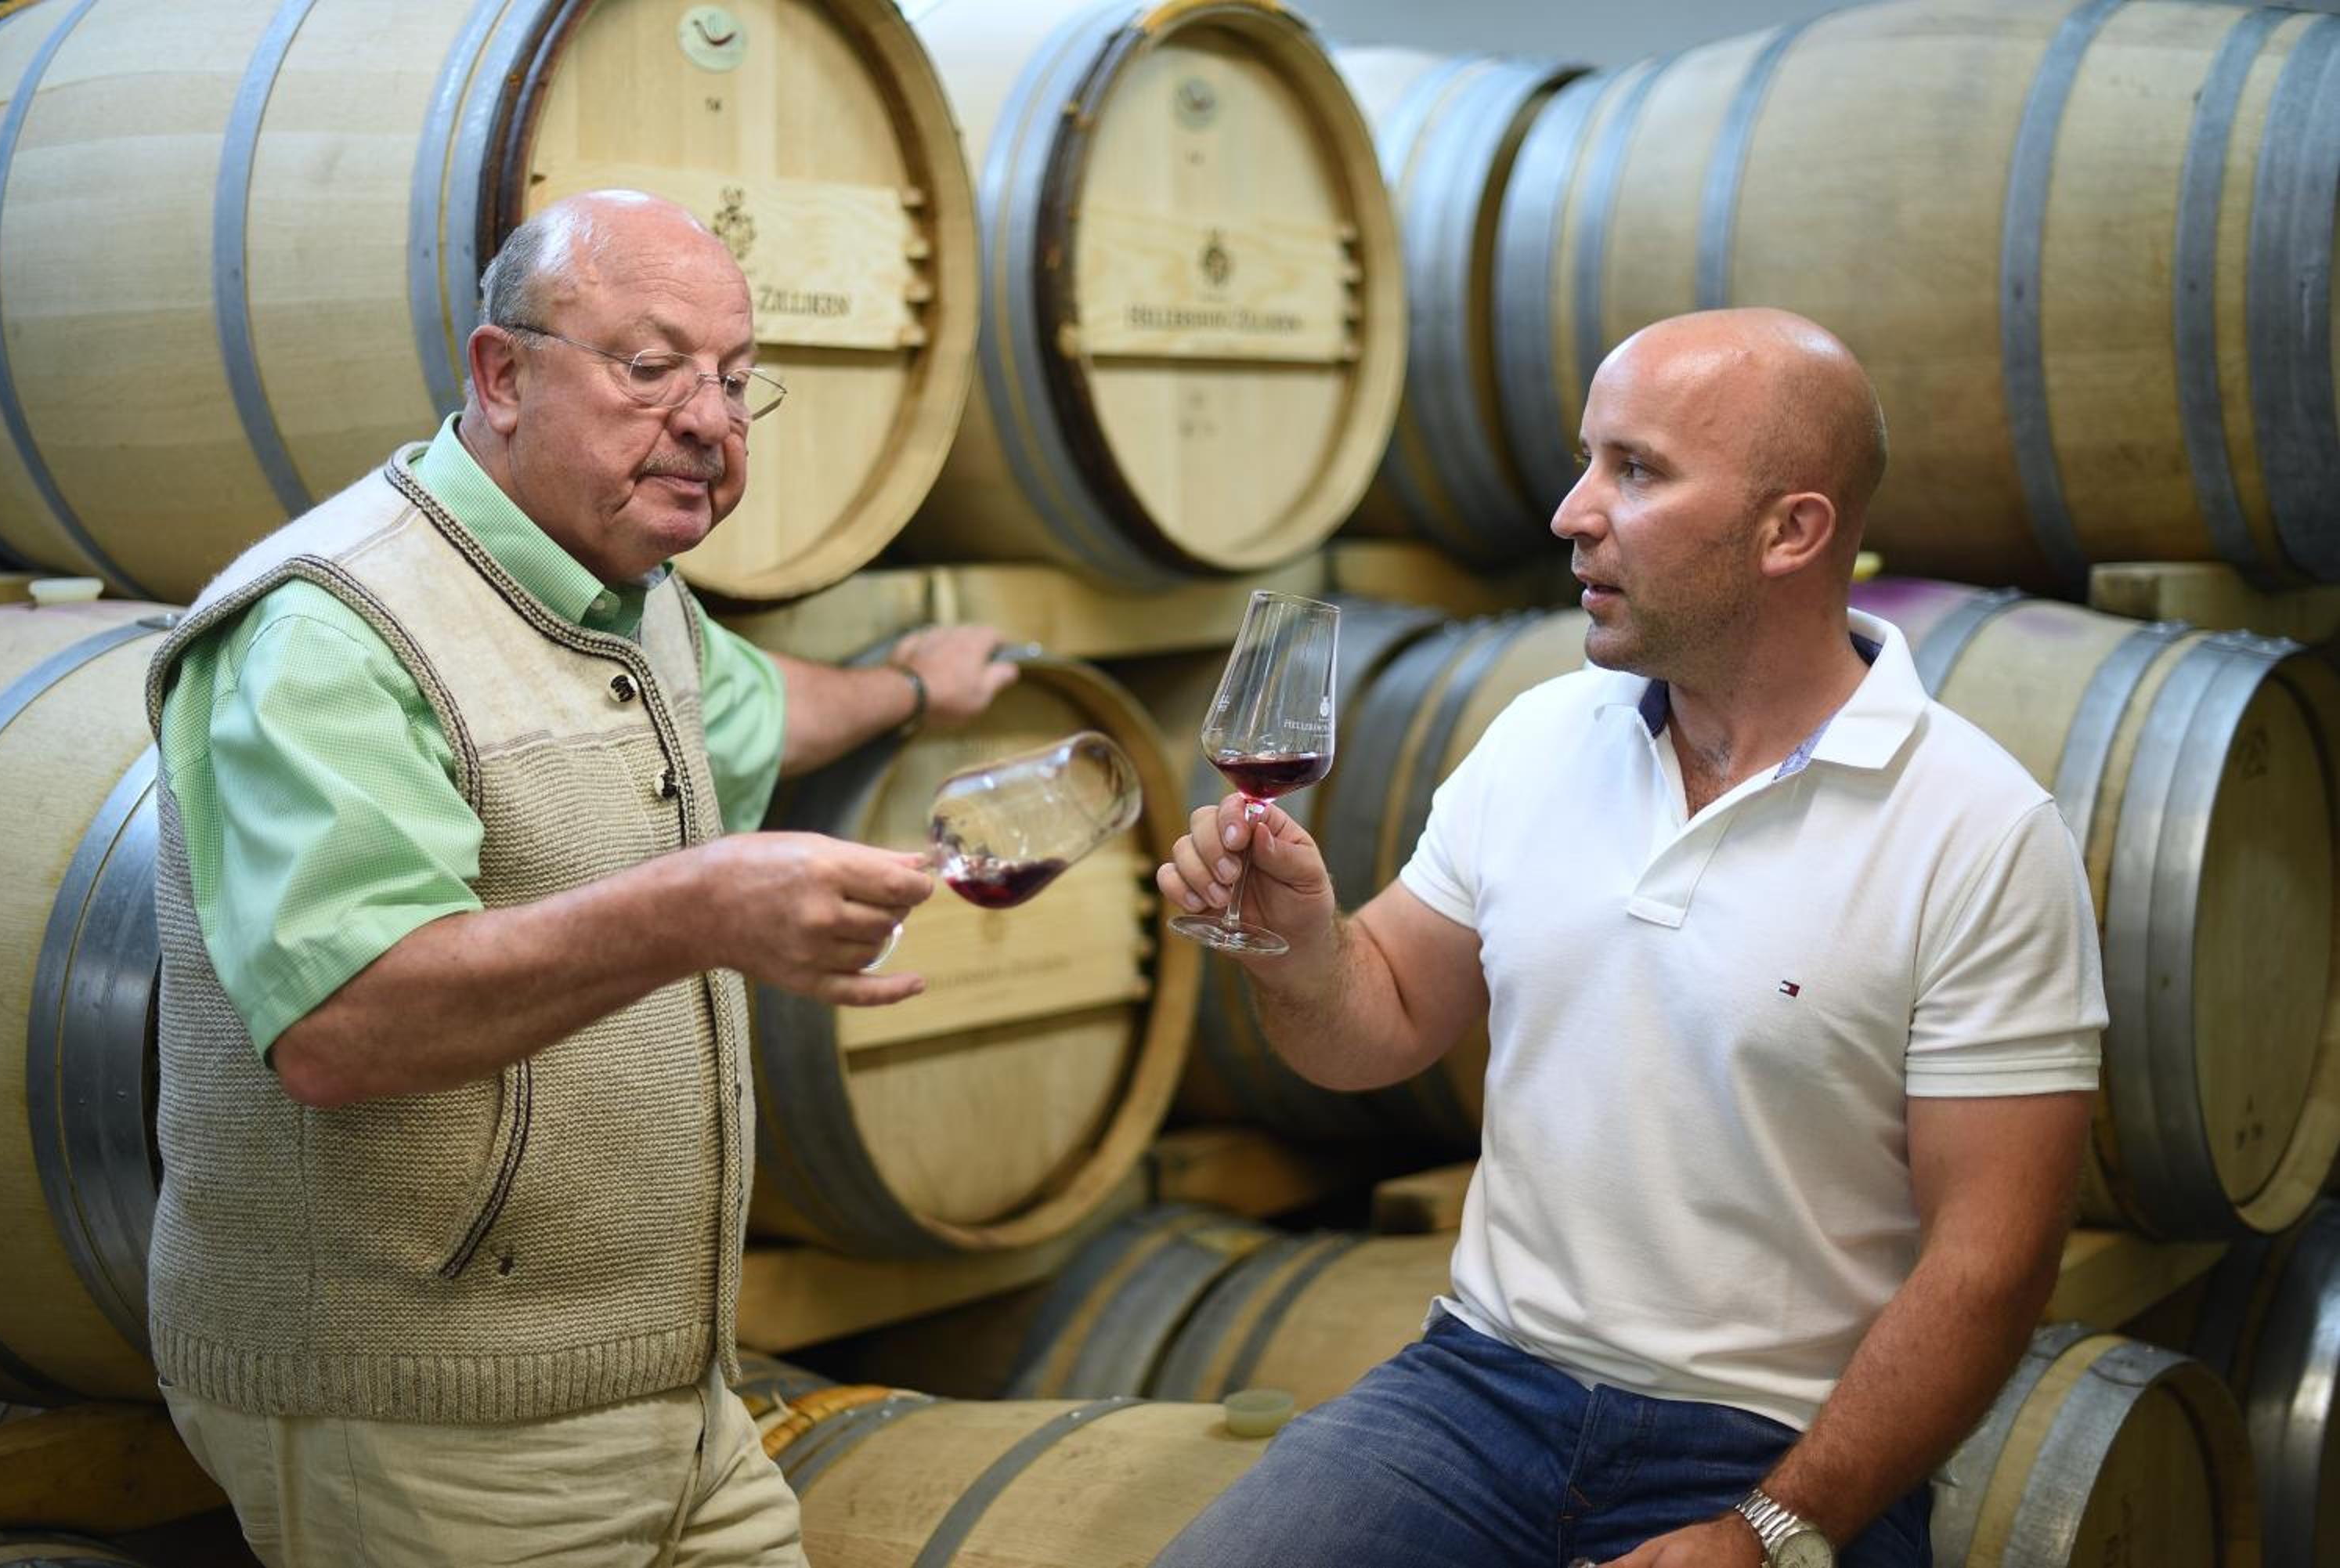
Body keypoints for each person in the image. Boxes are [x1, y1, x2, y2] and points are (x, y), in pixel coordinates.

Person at [143, 190, 1017, 1566]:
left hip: (677, 1400)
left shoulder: (628, 595)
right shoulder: (333, 629)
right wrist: (699, 908)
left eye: (735, 377)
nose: (711, 419)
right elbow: (340, 1024)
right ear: (502, 375)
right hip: (426, 1422)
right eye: (651, 366)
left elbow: (756, 709)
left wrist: (911, 688)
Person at [1154, 308, 2107, 1568]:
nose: (1571, 512)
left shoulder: (1980, 830)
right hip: (1481, 1391)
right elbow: (1373, 1025)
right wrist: (1296, 945)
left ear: (1791, 530)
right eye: (1586, 459)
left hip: (1775, 1440)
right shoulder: (1541, 735)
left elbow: (1992, 1264)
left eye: (1637, 470)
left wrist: (1770, 1528)